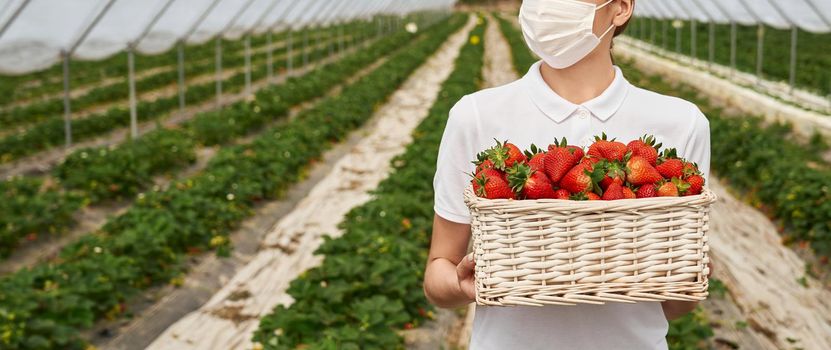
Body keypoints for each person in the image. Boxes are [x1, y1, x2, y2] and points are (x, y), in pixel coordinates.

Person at [424, 0, 712, 349]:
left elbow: (676, 306)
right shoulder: (476, 116)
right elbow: (439, 271)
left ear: (621, 8)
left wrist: (688, 277)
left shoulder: (682, 123)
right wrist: (461, 285)